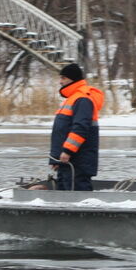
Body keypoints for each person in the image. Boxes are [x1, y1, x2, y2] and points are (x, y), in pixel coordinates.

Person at [42, 63, 103, 191]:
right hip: (67, 161)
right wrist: (56, 158)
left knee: (78, 193)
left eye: (63, 78)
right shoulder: (72, 99)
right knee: (64, 193)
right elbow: (62, 131)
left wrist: (67, 151)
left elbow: (80, 128)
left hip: (77, 161)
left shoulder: (82, 99)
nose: (60, 81)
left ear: (73, 79)